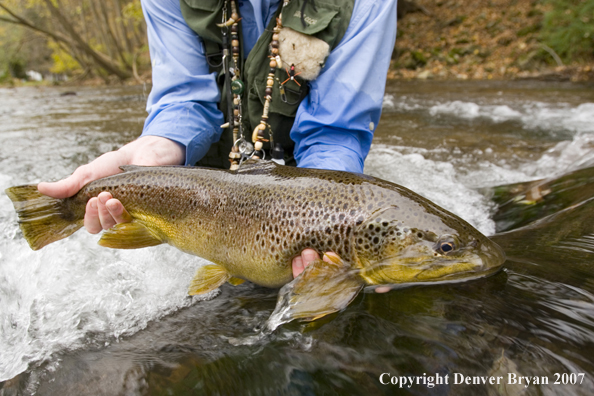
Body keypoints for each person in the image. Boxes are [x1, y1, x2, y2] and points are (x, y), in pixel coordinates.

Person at [38, 0, 397, 288]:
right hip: (206, 178)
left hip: (295, 175)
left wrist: (333, 222)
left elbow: (334, 132)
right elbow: (183, 100)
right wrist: (153, 151)